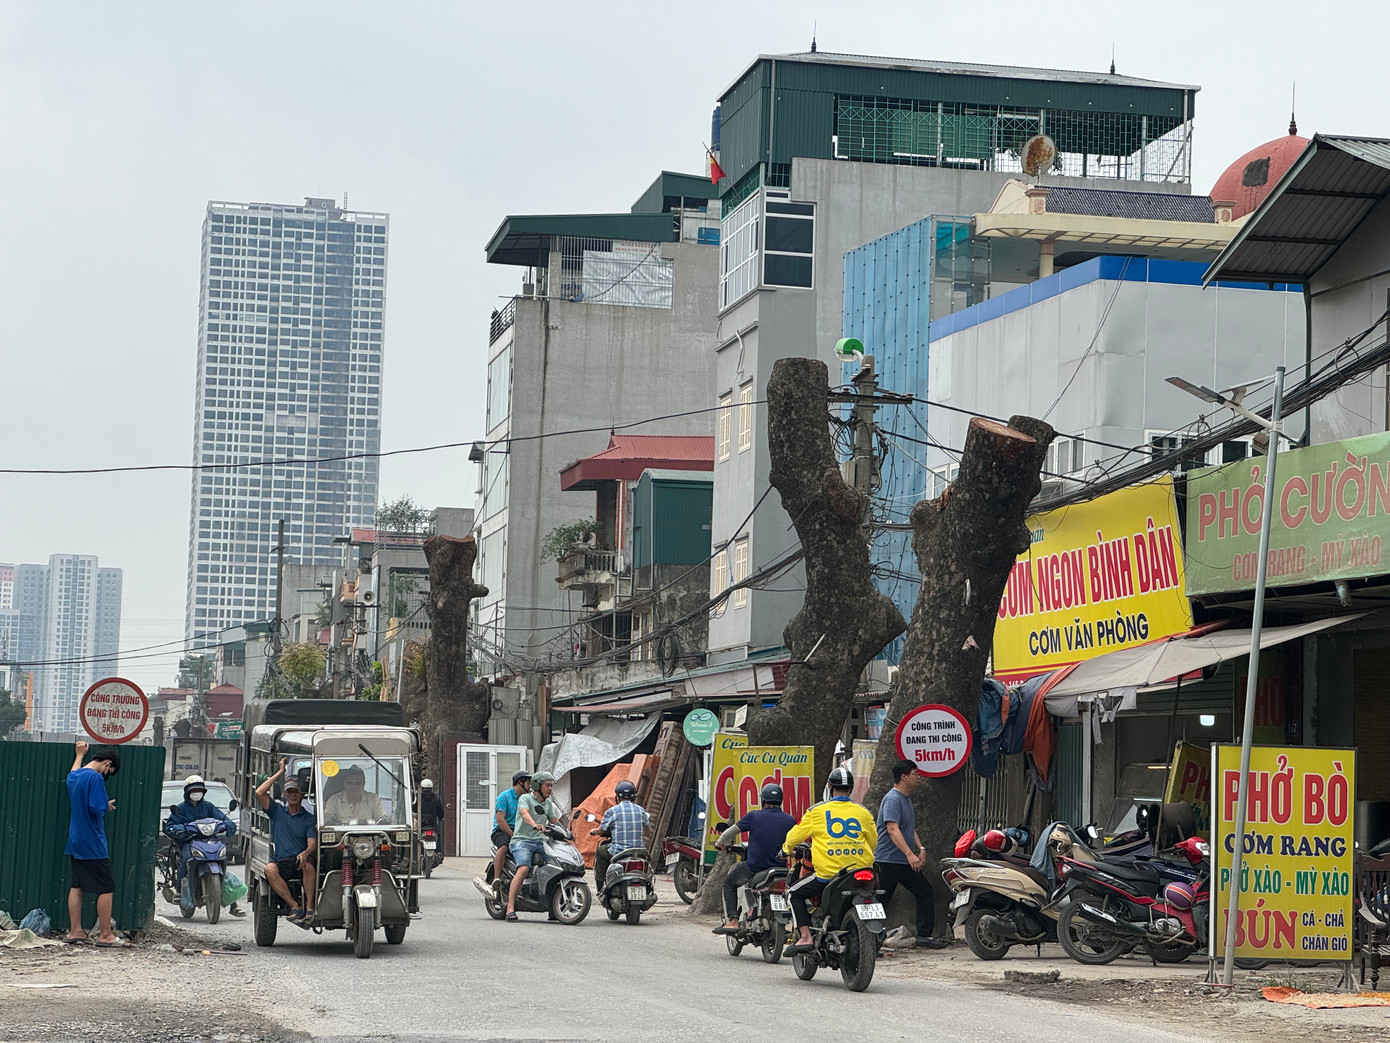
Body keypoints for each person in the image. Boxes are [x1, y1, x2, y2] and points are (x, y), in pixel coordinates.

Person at [782, 765, 878, 955]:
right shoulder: (863, 812)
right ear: (850, 789)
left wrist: (786, 849)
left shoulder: (816, 811)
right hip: (861, 870)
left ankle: (805, 937)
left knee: (794, 893)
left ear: (830, 787)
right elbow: (873, 841)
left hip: (829, 875)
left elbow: (794, 836)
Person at [875, 759, 948, 949]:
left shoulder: (906, 800)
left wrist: (920, 849)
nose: (919, 777)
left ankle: (924, 935)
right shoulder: (892, 799)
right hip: (887, 860)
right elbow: (892, 829)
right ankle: (868, 937)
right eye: (915, 774)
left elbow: (909, 829)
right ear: (904, 777)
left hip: (904, 860)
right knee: (881, 899)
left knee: (924, 890)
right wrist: (909, 854)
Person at [713, 782, 796, 934]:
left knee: (729, 883)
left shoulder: (754, 816)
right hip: (780, 870)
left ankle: (732, 921)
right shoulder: (790, 820)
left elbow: (728, 833)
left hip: (755, 867)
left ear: (763, 801)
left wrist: (719, 844)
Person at [64, 741, 124, 946]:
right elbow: (96, 809)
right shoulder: (96, 778)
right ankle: (106, 934)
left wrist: (79, 754)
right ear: (107, 764)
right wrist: (106, 807)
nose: (107, 775)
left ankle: (75, 931)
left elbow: (74, 770)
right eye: (110, 771)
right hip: (92, 841)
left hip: (75, 839)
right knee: (106, 886)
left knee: (77, 885)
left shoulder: (75, 776)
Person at [164, 774, 243, 917]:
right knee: (188, 858)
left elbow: (223, 818)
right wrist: (178, 828)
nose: (196, 794)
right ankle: (179, 891)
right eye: (193, 791)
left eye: (199, 791)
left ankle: (233, 903)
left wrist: (228, 825)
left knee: (222, 860)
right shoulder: (180, 809)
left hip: (210, 841)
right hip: (189, 842)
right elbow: (170, 826)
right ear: (187, 793)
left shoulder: (209, 807)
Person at [256, 758, 317, 923]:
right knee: (269, 869)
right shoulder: (277, 811)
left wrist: (305, 853)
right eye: (289, 792)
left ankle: (310, 907)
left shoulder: (308, 818)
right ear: (285, 794)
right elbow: (260, 793)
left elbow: (312, 843)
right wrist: (280, 772)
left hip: (300, 860)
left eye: (296, 791)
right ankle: (294, 906)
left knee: (309, 866)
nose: (293, 795)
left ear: (302, 794)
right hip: (282, 861)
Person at [506, 770, 557, 921]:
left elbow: (554, 821)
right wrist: (535, 824)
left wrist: (569, 833)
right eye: (547, 785)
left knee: (555, 866)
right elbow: (524, 813)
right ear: (537, 785)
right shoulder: (525, 798)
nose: (550, 788)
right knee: (523, 868)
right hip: (522, 840)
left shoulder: (548, 803)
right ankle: (510, 907)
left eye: (551, 786)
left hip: (541, 842)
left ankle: (553, 906)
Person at [592, 780, 651, 892]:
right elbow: (648, 831)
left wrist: (593, 831)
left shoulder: (612, 811)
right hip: (639, 852)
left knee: (600, 852)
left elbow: (600, 831)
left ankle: (600, 888)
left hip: (618, 852)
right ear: (633, 796)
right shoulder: (641, 810)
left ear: (617, 797)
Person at [482, 770, 530, 893]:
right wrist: (513, 835)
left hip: (520, 831)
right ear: (520, 782)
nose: (530, 786)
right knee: (503, 846)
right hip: (502, 831)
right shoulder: (504, 797)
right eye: (528, 783)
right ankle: (496, 878)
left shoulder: (526, 799)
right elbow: (500, 820)